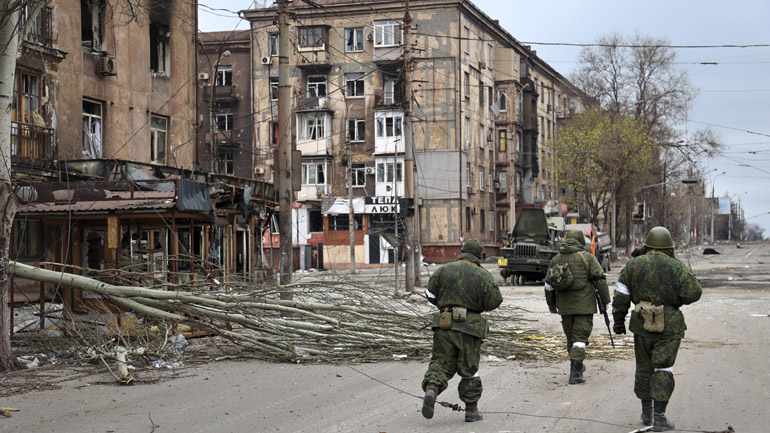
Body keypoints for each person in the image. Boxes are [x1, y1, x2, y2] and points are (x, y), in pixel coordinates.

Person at [612, 226, 702, 431]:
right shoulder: (677, 267)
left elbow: (621, 296)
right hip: (669, 326)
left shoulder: (633, 265)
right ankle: (659, 417)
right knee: (663, 367)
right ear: (669, 247)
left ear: (648, 245)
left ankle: (646, 412)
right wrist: (675, 298)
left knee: (644, 367)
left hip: (641, 324)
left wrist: (618, 321)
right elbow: (694, 293)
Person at [421, 238, 502, 423]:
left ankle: (432, 389)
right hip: (470, 327)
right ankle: (471, 411)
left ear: (462, 252)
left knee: (440, 363)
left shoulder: (444, 270)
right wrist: (478, 306)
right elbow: (495, 301)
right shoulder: (483, 275)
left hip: (444, 324)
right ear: (479, 255)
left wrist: (445, 304)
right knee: (469, 368)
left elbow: (430, 295)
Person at [544, 229, 611, 384]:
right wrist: (605, 301)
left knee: (571, 338)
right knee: (580, 339)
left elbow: (548, 285)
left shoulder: (555, 259)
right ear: (581, 241)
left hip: (564, 306)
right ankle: (575, 373)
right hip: (584, 306)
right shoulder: (588, 257)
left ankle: (577, 366)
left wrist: (551, 304)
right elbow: (600, 280)